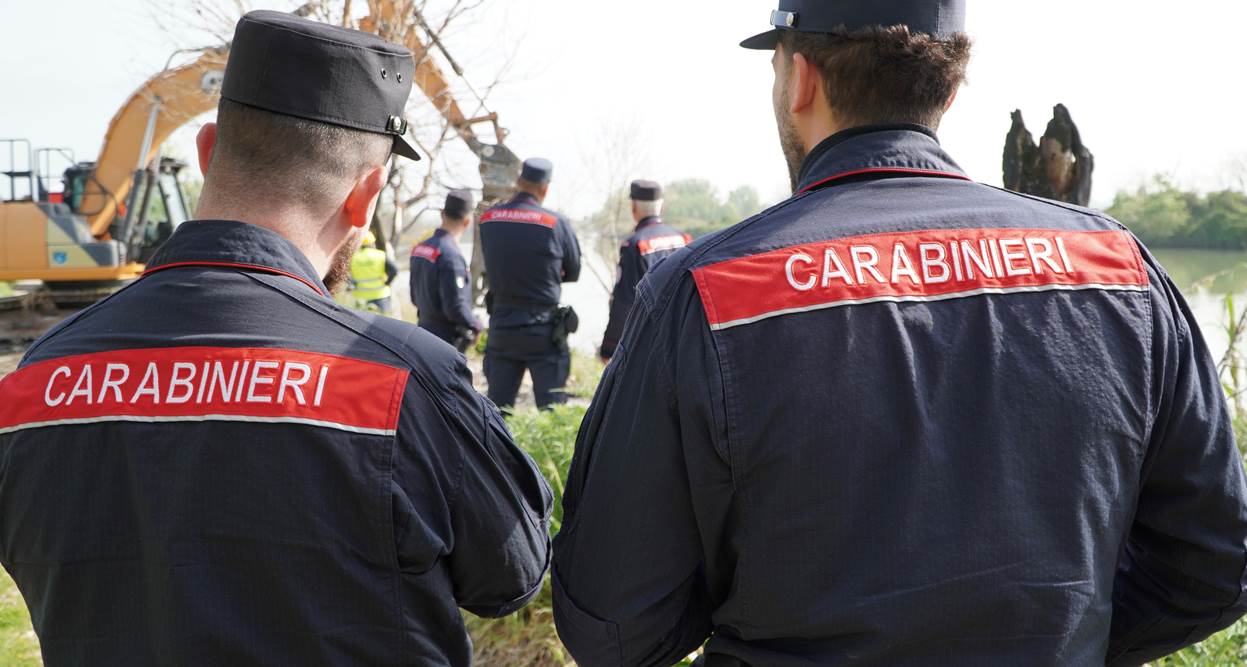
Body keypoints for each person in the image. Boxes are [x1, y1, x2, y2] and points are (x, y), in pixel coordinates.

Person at [551, 2, 1247, 665]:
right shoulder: (1117, 269)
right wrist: (1066, 637)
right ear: (948, 91)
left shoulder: (704, 292)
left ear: (800, 79)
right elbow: (1215, 564)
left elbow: (614, 629)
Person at [0, 11, 551, 666]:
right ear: (366, 195)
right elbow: (512, 574)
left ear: (207, 151)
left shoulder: (33, 382)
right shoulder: (402, 381)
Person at [479, 158, 581, 409]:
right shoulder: (556, 223)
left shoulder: (489, 219)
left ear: (518, 181)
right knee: (552, 411)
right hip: (543, 330)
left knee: (496, 411)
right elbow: (573, 271)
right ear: (545, 189)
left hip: (502, 326)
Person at [599, 179, 690, 362]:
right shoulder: (684, 240)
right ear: (661, 206)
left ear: (633, 207)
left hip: (649, 344)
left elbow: (624, 301)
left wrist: (609, 348)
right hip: (682, 338)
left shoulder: (634, 245)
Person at [410, 189, 484, 352]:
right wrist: (476, 325)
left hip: (422, 333)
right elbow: (455, 308)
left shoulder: (420, 249)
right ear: (467, 222)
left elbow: (415, 298)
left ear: (442, 214)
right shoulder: (451, 256)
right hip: (445, 343)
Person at [349, 230, 398, 313]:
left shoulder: (353, 257)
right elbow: (394, 270)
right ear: (372, 242)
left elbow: (346, 276)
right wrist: (387, 282)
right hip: (381, 295)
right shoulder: (380, 255)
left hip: (360, 296)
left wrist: (351, 284)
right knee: (382, 319)